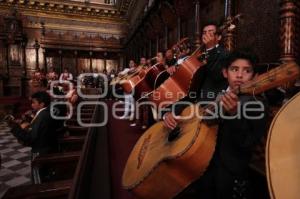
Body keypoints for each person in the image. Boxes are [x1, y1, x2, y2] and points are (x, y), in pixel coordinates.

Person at [169, 49, 268, 199]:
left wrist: (234, 114)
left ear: (255, 76)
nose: (240, 75)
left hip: (230, 173)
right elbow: (196, 110)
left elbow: (247, 142)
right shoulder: (219, 95)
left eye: (247, 71)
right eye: (234, 69)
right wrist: (172, 115)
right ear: (225, 73)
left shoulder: (257, 103)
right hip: (203, 165)